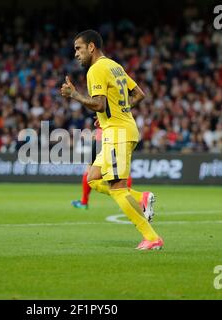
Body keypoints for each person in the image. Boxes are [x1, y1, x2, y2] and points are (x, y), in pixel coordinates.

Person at [61, 30, 163, 250]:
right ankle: (141, 198)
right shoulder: (114, 66)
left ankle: (152, 237)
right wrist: (112, 114)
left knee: (117, 188)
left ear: (91, 47)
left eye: (78, 48)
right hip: (117, 128)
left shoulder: (96, 69)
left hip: (118, 132)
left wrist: (75, 95)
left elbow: (99, 104)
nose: (76, 54)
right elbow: (139, 95)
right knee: (93, 178)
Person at [71, 122, 156, 223]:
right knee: (121, 172)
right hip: (120, 137)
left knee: (91, 172)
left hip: (105, 138)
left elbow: (102, 110)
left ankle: (85, 202)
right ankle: (131, 200)